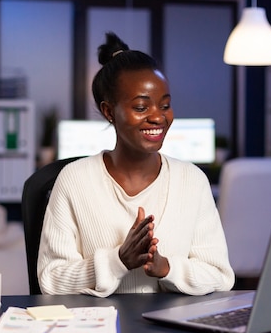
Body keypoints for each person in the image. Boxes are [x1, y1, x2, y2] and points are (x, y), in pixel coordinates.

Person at [37, 31, 234, 297]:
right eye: (141, 108)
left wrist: (167, 269)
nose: (158, 118)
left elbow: (220, 277)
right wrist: (117, 261)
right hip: (100, 329)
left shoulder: (193, 180)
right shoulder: (74, 180)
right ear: (109, 112)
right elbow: (50, 280)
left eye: (165, 106)